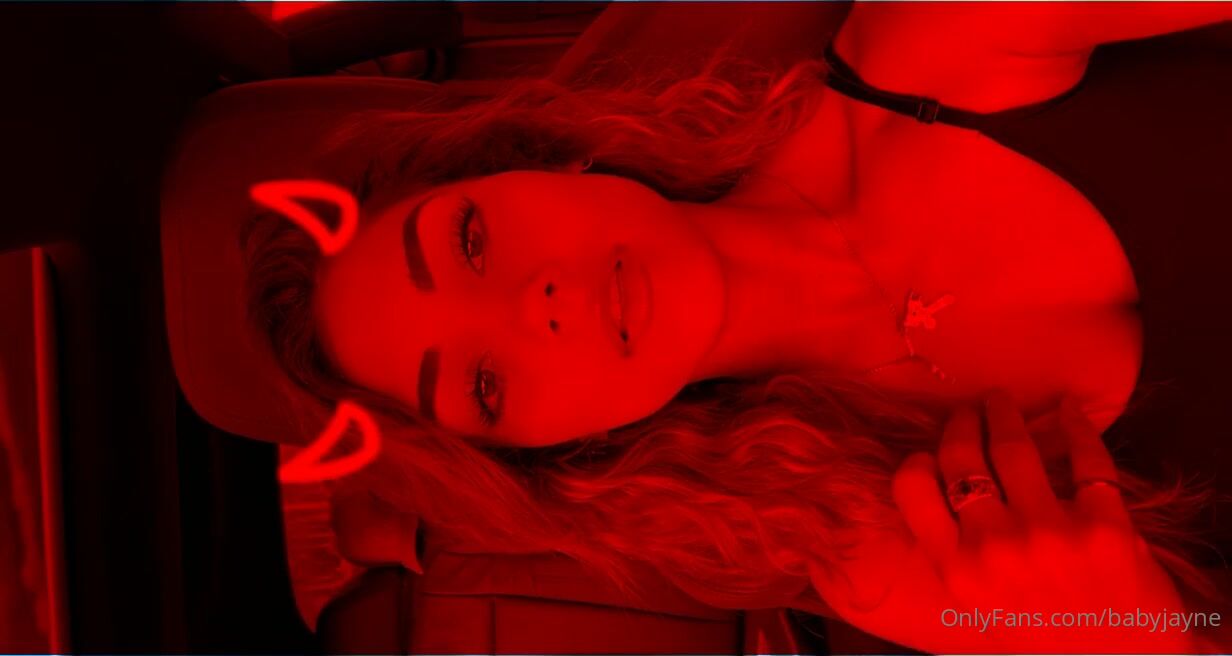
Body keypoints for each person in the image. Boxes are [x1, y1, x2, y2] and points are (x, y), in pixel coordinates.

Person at [241, 4, 1232, 652]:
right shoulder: (886, 557)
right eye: (485, 384)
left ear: (530, 159)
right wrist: (1143, 639)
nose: (534, 303)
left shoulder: (942, 35)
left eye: (468, 240)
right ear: (554, 449)